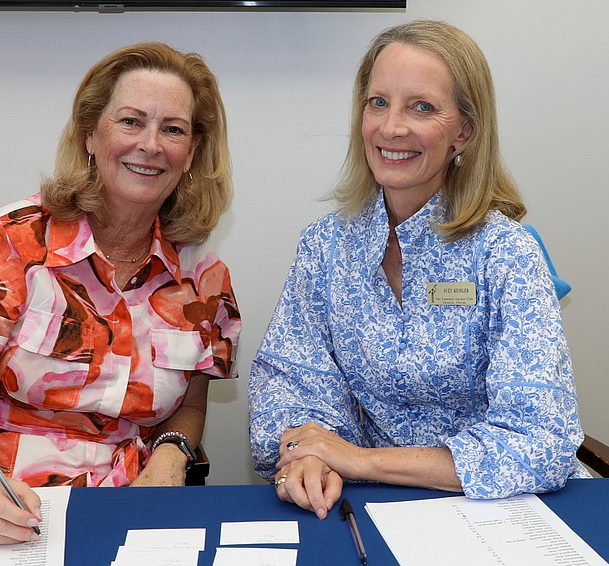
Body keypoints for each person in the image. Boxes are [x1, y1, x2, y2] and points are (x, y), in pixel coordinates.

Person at [0, 42, 241, 544]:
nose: (150, 144)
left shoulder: (204, 278)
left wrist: (171, 453)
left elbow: (188, 408)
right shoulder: (9, 239)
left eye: (173, 129)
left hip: (121, 498)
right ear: (90, 134)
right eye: (130, 121)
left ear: (191, 153)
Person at [248, 20, 588, 520]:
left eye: (422, 107)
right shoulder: (324, 248)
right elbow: (292, 384)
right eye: (377, 102)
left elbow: (541, 441)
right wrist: (310, 460)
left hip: (509, 513)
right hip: (375, 512)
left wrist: (361, 461)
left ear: (464, 131)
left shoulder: (506, 253)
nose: (391, 128)